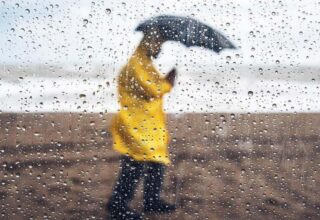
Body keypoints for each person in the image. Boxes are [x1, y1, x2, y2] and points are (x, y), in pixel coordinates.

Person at [106, 31, 177, 220]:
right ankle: (117, 205)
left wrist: (165, 81)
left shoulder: (145, 63)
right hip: (134, 124)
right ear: (150, 43)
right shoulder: (136, 64)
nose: (160, 48)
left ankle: (151, 200)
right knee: (134, 163)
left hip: (149, 124)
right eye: (158, 44)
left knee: (157, 161)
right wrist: (169, 83)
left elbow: (153, 85)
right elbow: (152, 89)